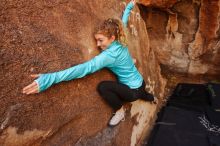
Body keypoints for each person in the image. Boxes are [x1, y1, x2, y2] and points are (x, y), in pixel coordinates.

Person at [22, 0, 155, 127]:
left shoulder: (107, 56)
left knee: (103, 87)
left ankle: (119, 111)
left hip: (132, 93)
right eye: (97, 40)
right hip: (140, 81)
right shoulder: (121, 39)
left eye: (101, 40)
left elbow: (83, 69)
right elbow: (123, 22)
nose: (98, 44)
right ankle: (150, 97)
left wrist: (50, 78)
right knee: (143, 92)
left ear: (112, 38)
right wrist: (129, 7)